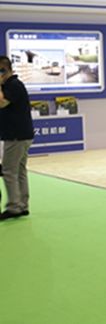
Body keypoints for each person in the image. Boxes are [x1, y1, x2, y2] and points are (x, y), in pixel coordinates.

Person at [0, 56, 34, 220]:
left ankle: (14, 207)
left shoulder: (13, 85)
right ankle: (22, 205)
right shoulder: (12, 85)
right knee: (19, 170)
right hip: (22, 134)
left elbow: (2, 103)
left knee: (9, 171)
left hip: (16, 136)